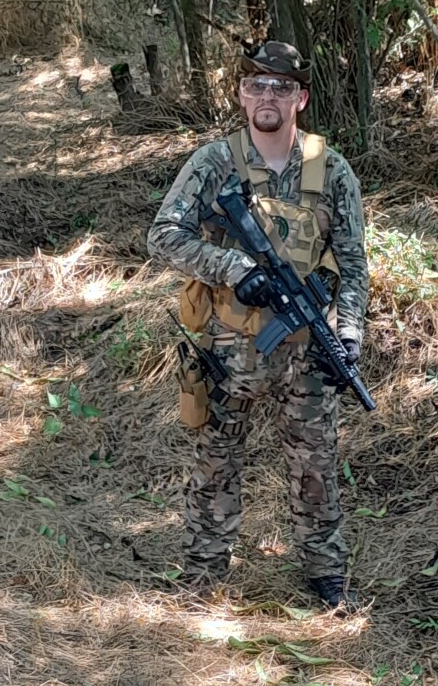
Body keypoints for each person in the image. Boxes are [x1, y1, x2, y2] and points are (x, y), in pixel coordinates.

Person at [147, 41, 368, 611]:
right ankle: (203, 574)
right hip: (227, 347)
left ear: (301, 98)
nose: (267, 95)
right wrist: (232, 267)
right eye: (256, 85)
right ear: (242, 95)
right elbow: (163, 236)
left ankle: (326, 572)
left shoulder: (330, 169)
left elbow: (352, 265)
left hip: (308, 350)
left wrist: (348, 336)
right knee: (214, 464)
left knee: (316, 465)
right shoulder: (213, 162)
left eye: (281, 87)